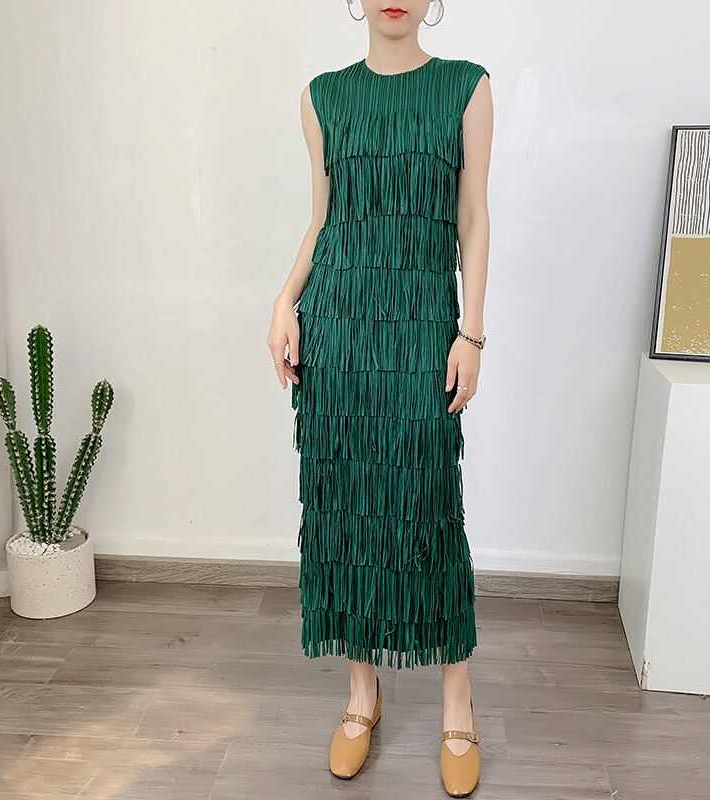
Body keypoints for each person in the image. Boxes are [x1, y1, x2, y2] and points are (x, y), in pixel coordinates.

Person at [266, 1, 492, 795]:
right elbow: (323, 220)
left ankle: (458, 699)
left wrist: (471, 334)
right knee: (347, 509)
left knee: (429, 507)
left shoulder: (466, 87)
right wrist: (285, 300)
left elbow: (473, 216)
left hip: (423, 330)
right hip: (337, 331)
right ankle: (362, 694)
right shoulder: (322, 97)